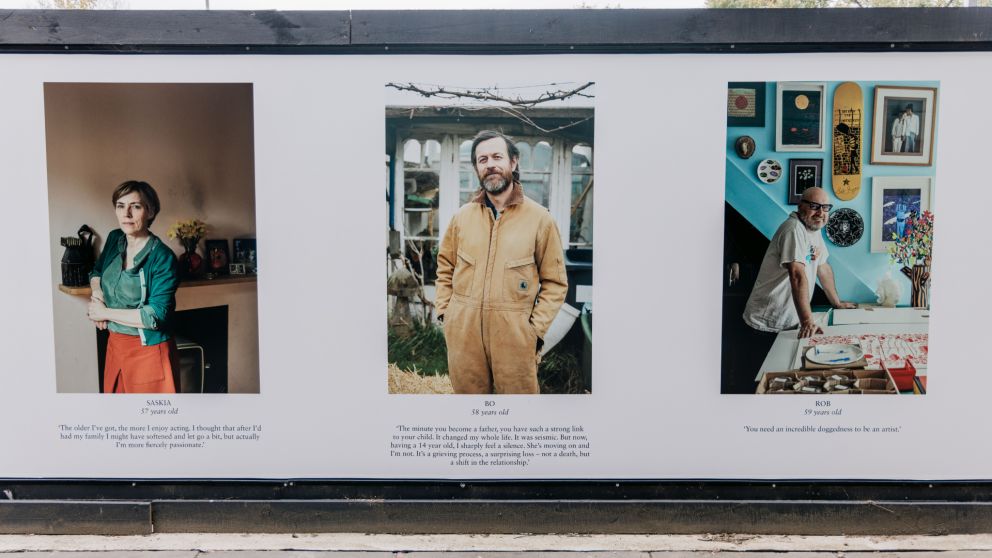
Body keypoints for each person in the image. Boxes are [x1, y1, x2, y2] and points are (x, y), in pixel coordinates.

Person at [434, 130, 568, 394]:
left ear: (513, 163)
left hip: (515, 338)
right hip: (463, 334)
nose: (490, 164)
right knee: (469, 411)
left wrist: (534, 330)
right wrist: (445, 313)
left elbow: (555, 283)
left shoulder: (541, 220)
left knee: (517, 413)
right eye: (482, 160)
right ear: (476, 168)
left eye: (497, 156)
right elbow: (445, 267)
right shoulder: (461, 218)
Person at [732, 188, 857, 392]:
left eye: (825, 208)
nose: (820, 213)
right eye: (814, 206)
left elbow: (822, 268)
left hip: (789, 322)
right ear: (800, 207)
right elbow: (797, 275)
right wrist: (808, 320)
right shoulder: (793, 229)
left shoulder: (813, 231)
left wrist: (837, 302)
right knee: (755, 387)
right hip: (765, 324)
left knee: (780, 385)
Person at [87, 180, 180, 393]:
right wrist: (98, 296)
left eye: (135, 206)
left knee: (150, 422)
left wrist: (104, 313)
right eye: (120, 206)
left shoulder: (163, 258)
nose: (126, 214)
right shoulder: (114, 238)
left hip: (148, 351)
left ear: (151, 210)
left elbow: (156, 316)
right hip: (115, 345)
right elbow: (97, 272)